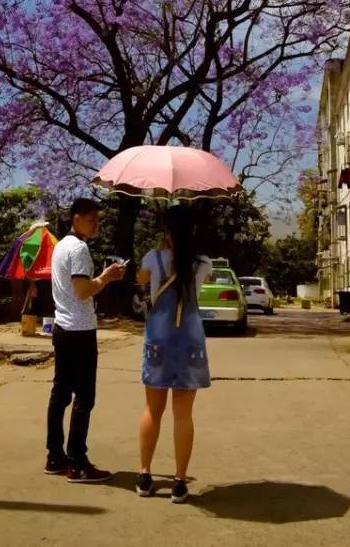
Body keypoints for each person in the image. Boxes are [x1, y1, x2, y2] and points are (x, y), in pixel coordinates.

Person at [45, 197, 126, 482]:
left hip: (62, 327)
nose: (96, 224)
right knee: (84, 397)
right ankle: (77, 462)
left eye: (98, 219)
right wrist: (106, 277)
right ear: (76, 218)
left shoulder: (60, 247)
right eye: (92, 218)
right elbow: (82, 290)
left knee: (60, 393)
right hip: (79, 330)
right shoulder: (78, 249)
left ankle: (55, 456)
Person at [135, 205, 212, 504]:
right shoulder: (202, 263)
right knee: (184, 415)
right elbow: (195, 286)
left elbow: (142, 280)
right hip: (190, 342)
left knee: (152, 410)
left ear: (167, 232)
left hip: (158, 341)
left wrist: (160, 249)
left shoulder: (152, 259)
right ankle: (179, 482)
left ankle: (144, 475)